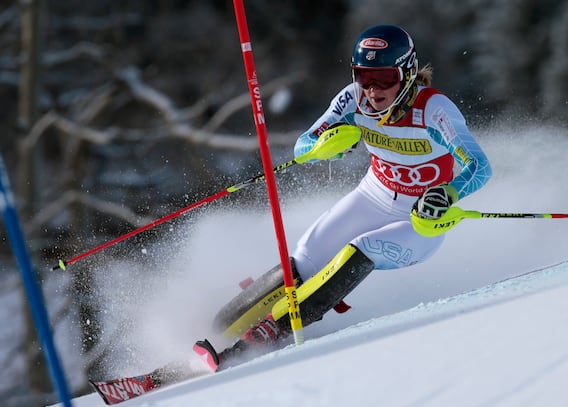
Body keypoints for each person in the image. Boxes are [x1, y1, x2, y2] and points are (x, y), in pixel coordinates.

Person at [194, 24, 492, 371]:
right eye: (365, 77)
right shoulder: (352, 99)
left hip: (417, 220)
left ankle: (271, 333)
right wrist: (325, 147)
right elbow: (303, 145)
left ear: (408, 73)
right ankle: (217, 329)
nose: (373, 90)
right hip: (372, 197)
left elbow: (480, 167)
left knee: (363, 248)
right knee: (304, 259)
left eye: (384, 78)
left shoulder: (434, 109)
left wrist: (448, 192)